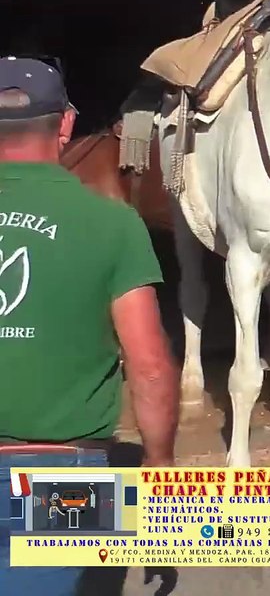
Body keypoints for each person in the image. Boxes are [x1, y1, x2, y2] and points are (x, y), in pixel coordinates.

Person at [0, 56, 180, 595]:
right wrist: (160, 468)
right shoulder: (111, 224)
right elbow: (148, 368)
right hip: (64, 476)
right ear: (65, 125)